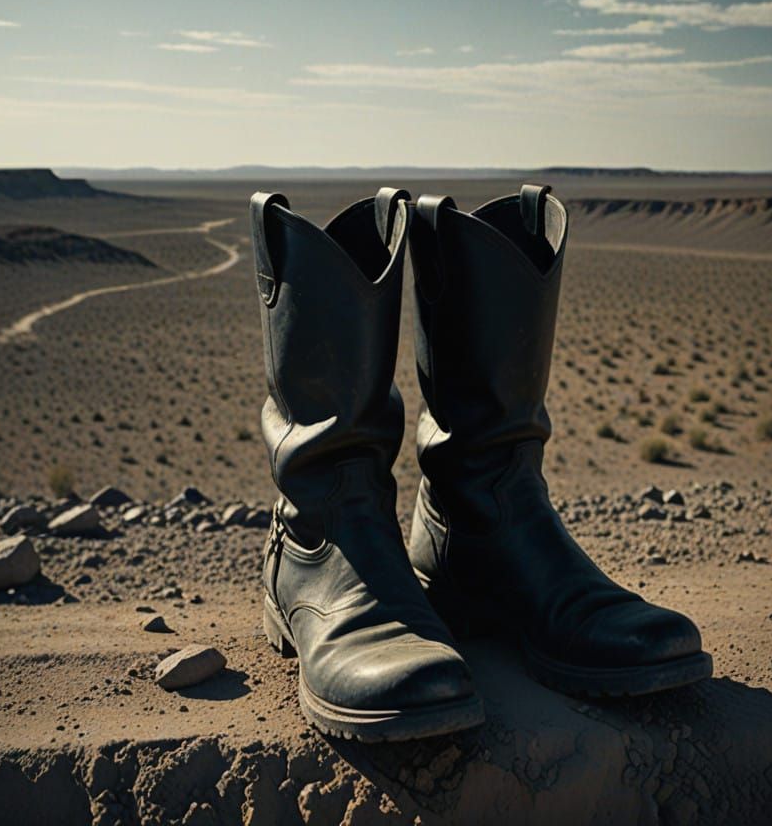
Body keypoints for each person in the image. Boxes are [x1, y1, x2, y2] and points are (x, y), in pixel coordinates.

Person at [250, 185, 711, 742]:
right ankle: (313, 549)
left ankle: (468, 537)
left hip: (483, 532)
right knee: (345, 468)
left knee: (497, 449)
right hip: (325, 548)